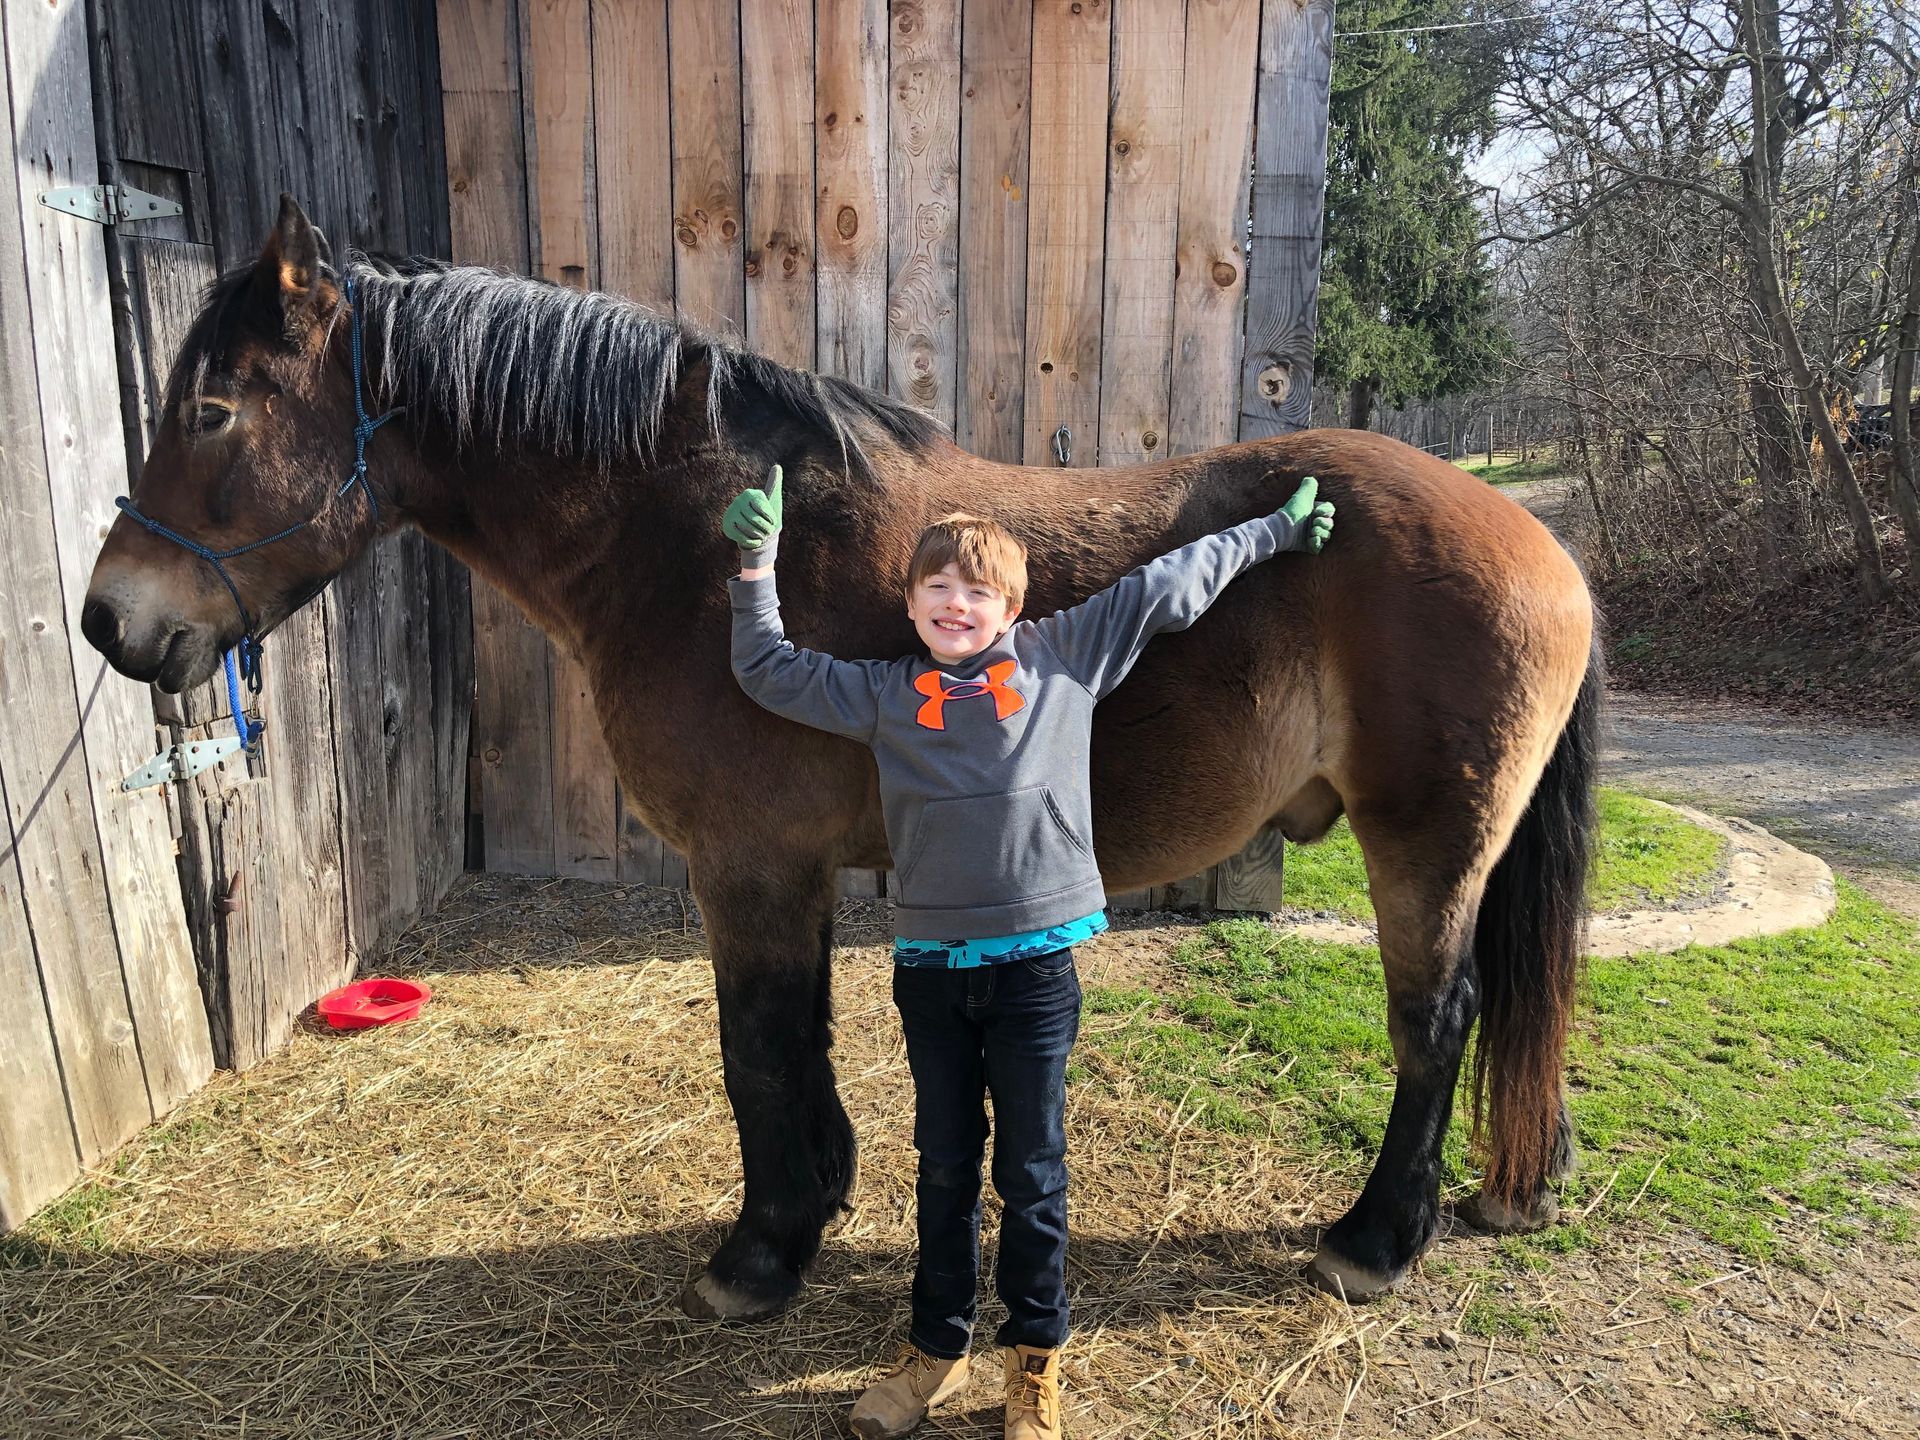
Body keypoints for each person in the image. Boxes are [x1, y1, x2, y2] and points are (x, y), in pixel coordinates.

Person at [724, 465, 1334, 1440]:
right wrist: (754, 562)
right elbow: (766, 669)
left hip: (1036, 975)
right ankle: (934, 1348)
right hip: (932, 973)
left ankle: (1035, 1363)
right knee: (943, 1169)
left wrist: (1272, 535)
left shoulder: (1062, 657)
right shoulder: (884, 696)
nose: (957, 604)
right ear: (913, 605)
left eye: (978, 590)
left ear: (1010, 605)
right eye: (938, 589)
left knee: (1034, 1176)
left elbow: (1165, 588)